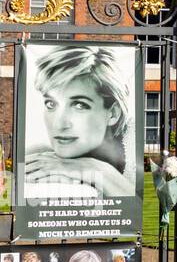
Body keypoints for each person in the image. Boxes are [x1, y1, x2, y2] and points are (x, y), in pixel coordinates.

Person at [25, 45, 135, 198]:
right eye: (51, 104)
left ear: (113, 113)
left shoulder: (133, 145)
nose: (59, 124)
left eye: (79, 105)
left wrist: (98, 170)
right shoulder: (42, 154)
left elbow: (137, 211)